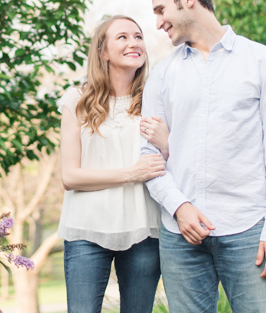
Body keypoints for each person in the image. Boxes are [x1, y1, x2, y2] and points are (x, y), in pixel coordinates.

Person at [141, 0, 266, 313]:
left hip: (248, 231)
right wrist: (179, 207)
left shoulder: (263, 62)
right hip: (180, 237)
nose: (157, 23)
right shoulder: (163, 75)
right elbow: (148, 158)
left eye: (160, 10)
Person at [58, 16, 170, 313]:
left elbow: (176, 162)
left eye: (138, 36)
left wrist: (167, 142)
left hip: (144, 229)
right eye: (122, 37)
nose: (134, 42)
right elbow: (70, 176)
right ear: (102, 51)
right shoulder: (77, 101)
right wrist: (131, 173)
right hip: (86, 230)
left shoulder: (155, 101)